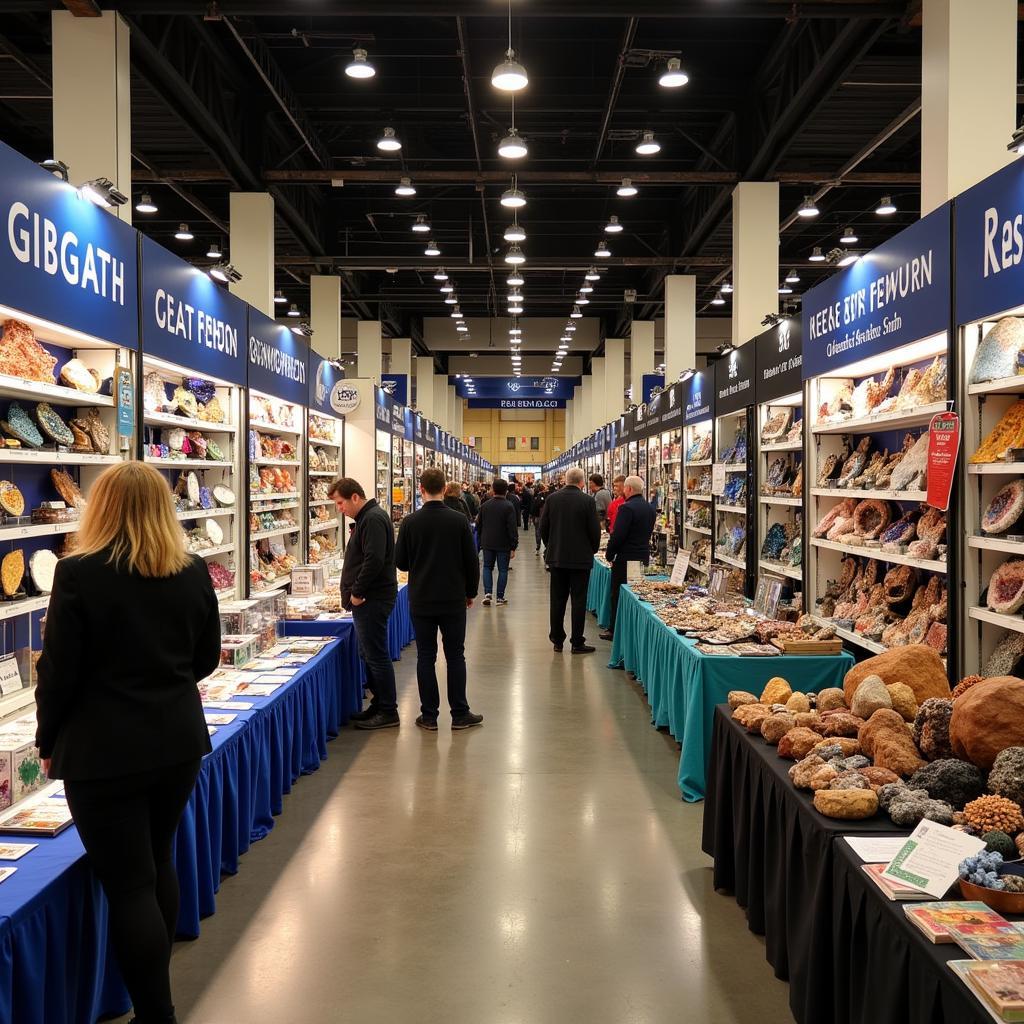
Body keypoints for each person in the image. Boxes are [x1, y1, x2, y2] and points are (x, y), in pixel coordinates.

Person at [34, 461, 221, 1024]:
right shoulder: (190, 570)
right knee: (157, 860)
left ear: (102, 507)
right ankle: (154, 989)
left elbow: (59, 672)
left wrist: (47, 739)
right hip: (177, 740)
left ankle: (155, 1009)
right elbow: (206, 658)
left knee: (129, 882)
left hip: (103, 750)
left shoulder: (79, 573)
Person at [395, 468, 483, 731]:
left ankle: (429, 715)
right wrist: (470, 592)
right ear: (445, 489)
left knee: (426, 656)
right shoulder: (459, 521)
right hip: (453, 598)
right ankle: (459, 713)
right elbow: (471, 560)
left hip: (421, 598)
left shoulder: (410, 522)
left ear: (421, 490)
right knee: (456, 655)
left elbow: (401, 562)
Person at [332, 477, 400, 729]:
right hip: (370, 598)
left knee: (376, 654)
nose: (340, 509)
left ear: (355, 498)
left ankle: (388, 710)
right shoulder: (368, 518)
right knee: (369, 653)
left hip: (372, 598)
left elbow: (373, 560)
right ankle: (379, 703)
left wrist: (357, 592)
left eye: (340, 503)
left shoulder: (371, 519)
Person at [540, 466, 600, 653]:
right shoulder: (588, 501)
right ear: (582, 482)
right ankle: (577, 642)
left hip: (557, 558)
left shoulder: (552, 499)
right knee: (579, 600)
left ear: (565, 480)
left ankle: (557, 640)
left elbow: (544, 527)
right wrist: (592, 549)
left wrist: (550, 546)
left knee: (557, 599)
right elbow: (594, 530)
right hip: (581, 559)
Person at [600, 474, 657, 642]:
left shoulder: (626, 508)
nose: (623, 490)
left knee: (617, 594)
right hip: (641, 557)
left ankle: (614, 629)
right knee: (635, 594)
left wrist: (610, 554)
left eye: (624, 487)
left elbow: (618, 535)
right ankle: (633, 629)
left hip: (624, 558)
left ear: (629, 489)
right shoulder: (649, 508)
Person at [475, 478, 518, 605]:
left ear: (493, 490)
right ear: (506, 491)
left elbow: (478, 525)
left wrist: (481, 540)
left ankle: (488, 593)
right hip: (503, 544)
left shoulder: (485, 505)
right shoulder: (509, 506)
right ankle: (500, 597)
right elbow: (512, 528)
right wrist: (513, 546)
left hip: (487, 542)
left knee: (487, 567)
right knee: (503, 570)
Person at [531, 483, 548, 554]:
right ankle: (546, 547)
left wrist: (533, 516)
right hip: (544, 517)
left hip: (538, 517)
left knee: (537, 532)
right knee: (545, 531)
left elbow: (534, 507)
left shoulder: (536, 496)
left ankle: (538, 546)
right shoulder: (547, 496)